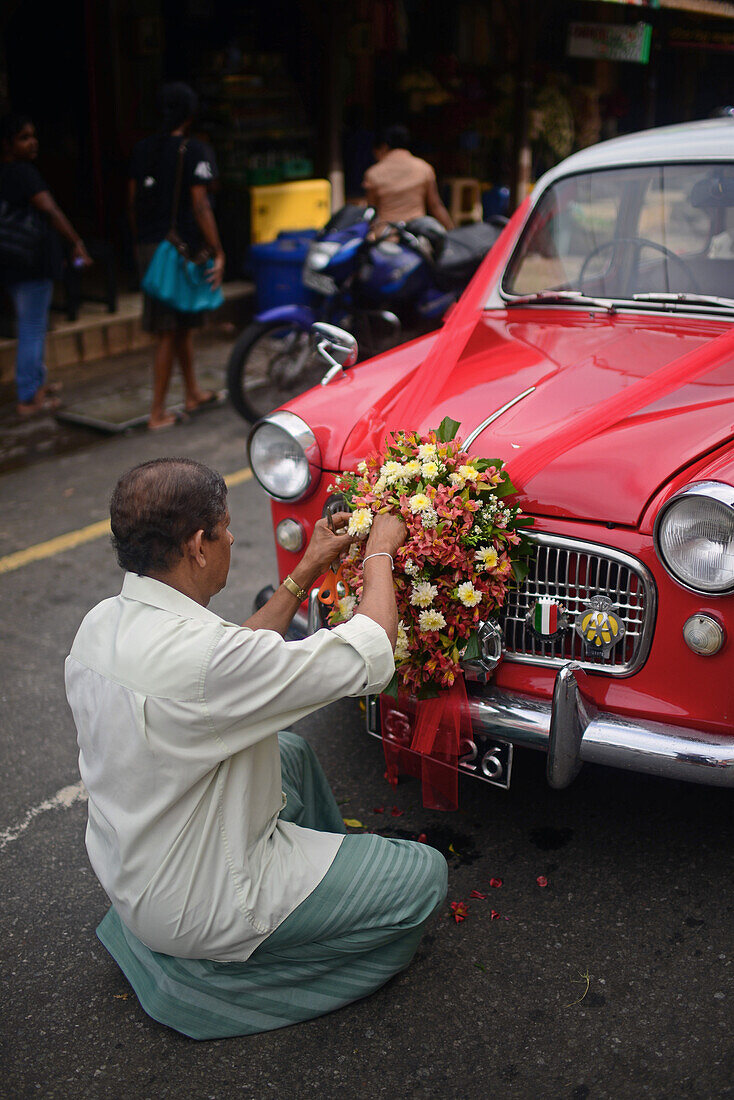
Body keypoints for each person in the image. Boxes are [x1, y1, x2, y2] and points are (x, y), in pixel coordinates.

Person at [65, 458, 447, 1040]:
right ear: (198, 546)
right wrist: (381, 552)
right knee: (424, 877)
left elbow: (231, 662)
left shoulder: (101, 624)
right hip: (201, 902)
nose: (234, 538)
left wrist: (308, 568)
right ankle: (229, 979)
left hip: (133, 867)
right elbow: (368, 651)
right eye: (224, 528)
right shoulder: (204, 662)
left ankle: (320, 890)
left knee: (287, 752)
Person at [127, 84, 225, 430]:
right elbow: (200, 204)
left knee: (182, 326)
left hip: (151, 247)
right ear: (190, 113)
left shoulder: (141, 149)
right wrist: (218, 250)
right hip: (177, 249)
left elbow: (133, 201)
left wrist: (144, 244)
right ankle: (157, 413)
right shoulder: (193, 149)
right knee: (169, 331)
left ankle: (193, 392)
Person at [0, 113, 92, 417]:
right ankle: (29, 397)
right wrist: (75, 241)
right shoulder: (23, 173)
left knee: (29, 323)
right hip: (30, 264)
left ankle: (35, 384)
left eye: (33, 135)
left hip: (11, 262)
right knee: (32, 327)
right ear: (8, 144)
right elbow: (49, 209)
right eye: (24, 137)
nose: (33, 142)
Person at [362, 124, 454, 232]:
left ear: (384, 147)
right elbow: (435, 206)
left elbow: (372, 210)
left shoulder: (374, 173)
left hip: (386, 235)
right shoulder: (423, 168)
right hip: (416, 234)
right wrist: (452, 232)